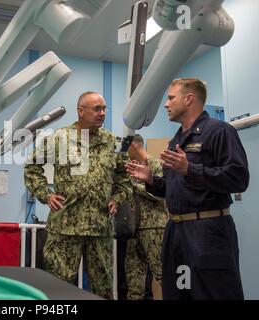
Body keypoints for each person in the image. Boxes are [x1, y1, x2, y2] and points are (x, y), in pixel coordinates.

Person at [126, 78, 249, 300]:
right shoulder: (177, 140)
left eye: (171, 97)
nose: (166, 104)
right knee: (180, 293)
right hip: (176, 232)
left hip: (207, 233)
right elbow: (175, 187)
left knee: (213, 293)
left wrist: (190, 169)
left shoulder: (219, 132)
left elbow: (238, 179)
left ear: (189, 98)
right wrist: (152, 179)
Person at [24, 91, 132, 299]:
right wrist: (46, 195)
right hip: (66, 226)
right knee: (58, 288)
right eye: (97, 109)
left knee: (104, 289)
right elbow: (32, 168)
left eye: (104, 108)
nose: (102, 113)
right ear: (80, 111)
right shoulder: (59, 138)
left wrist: (117, 198)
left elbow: (124, 178)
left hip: (101, 228)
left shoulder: (115, 142)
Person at [125, 134, 168, 300]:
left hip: (154, 228)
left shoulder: (155, 164)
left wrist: (136, 186)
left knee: (163, 274)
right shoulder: (131, 166)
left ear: (134, 146)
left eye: (125, 147)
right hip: (133, 230)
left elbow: (163, 194)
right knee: (134, 278)